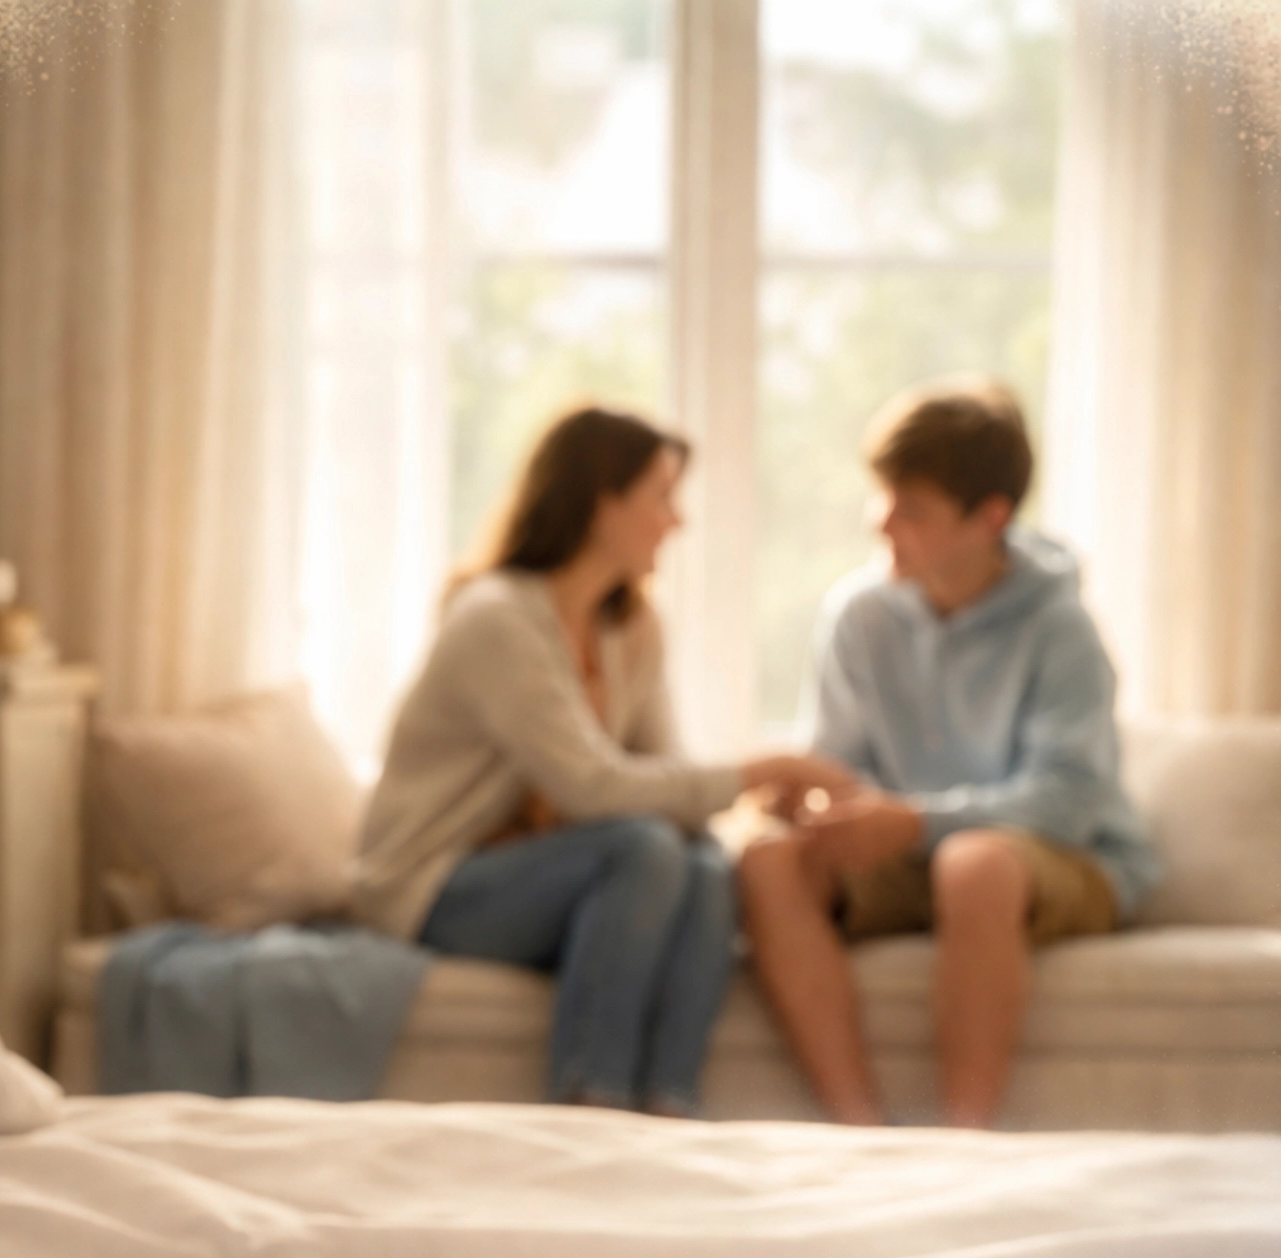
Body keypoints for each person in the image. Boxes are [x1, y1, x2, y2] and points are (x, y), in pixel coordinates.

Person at [352, 406, 817, 1115]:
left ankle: (668, 1106)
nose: (677, 521)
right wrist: (757, 773)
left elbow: (664, 775)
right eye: (662, 497)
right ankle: (588, 1100)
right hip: (433, 882)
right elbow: (592, 787)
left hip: (544, 871)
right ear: (603, 504)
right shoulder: (497, 619)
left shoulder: (633, 628)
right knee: (641, 847)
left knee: (703, 863)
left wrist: (747, 803)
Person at [738, 378, 1162, 1128]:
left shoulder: (1061, 629)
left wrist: (915, 823)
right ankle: (862, 1135)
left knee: (974, 864)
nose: (879, 522)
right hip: (911, 857)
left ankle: (963, 1141)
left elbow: (1066, 801)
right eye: (882, 495)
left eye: (911, 508)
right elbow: (840, 763)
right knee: (770, 862)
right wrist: (808, 799)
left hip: (1058, 856)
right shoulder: (859, 616)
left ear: (989, 518)